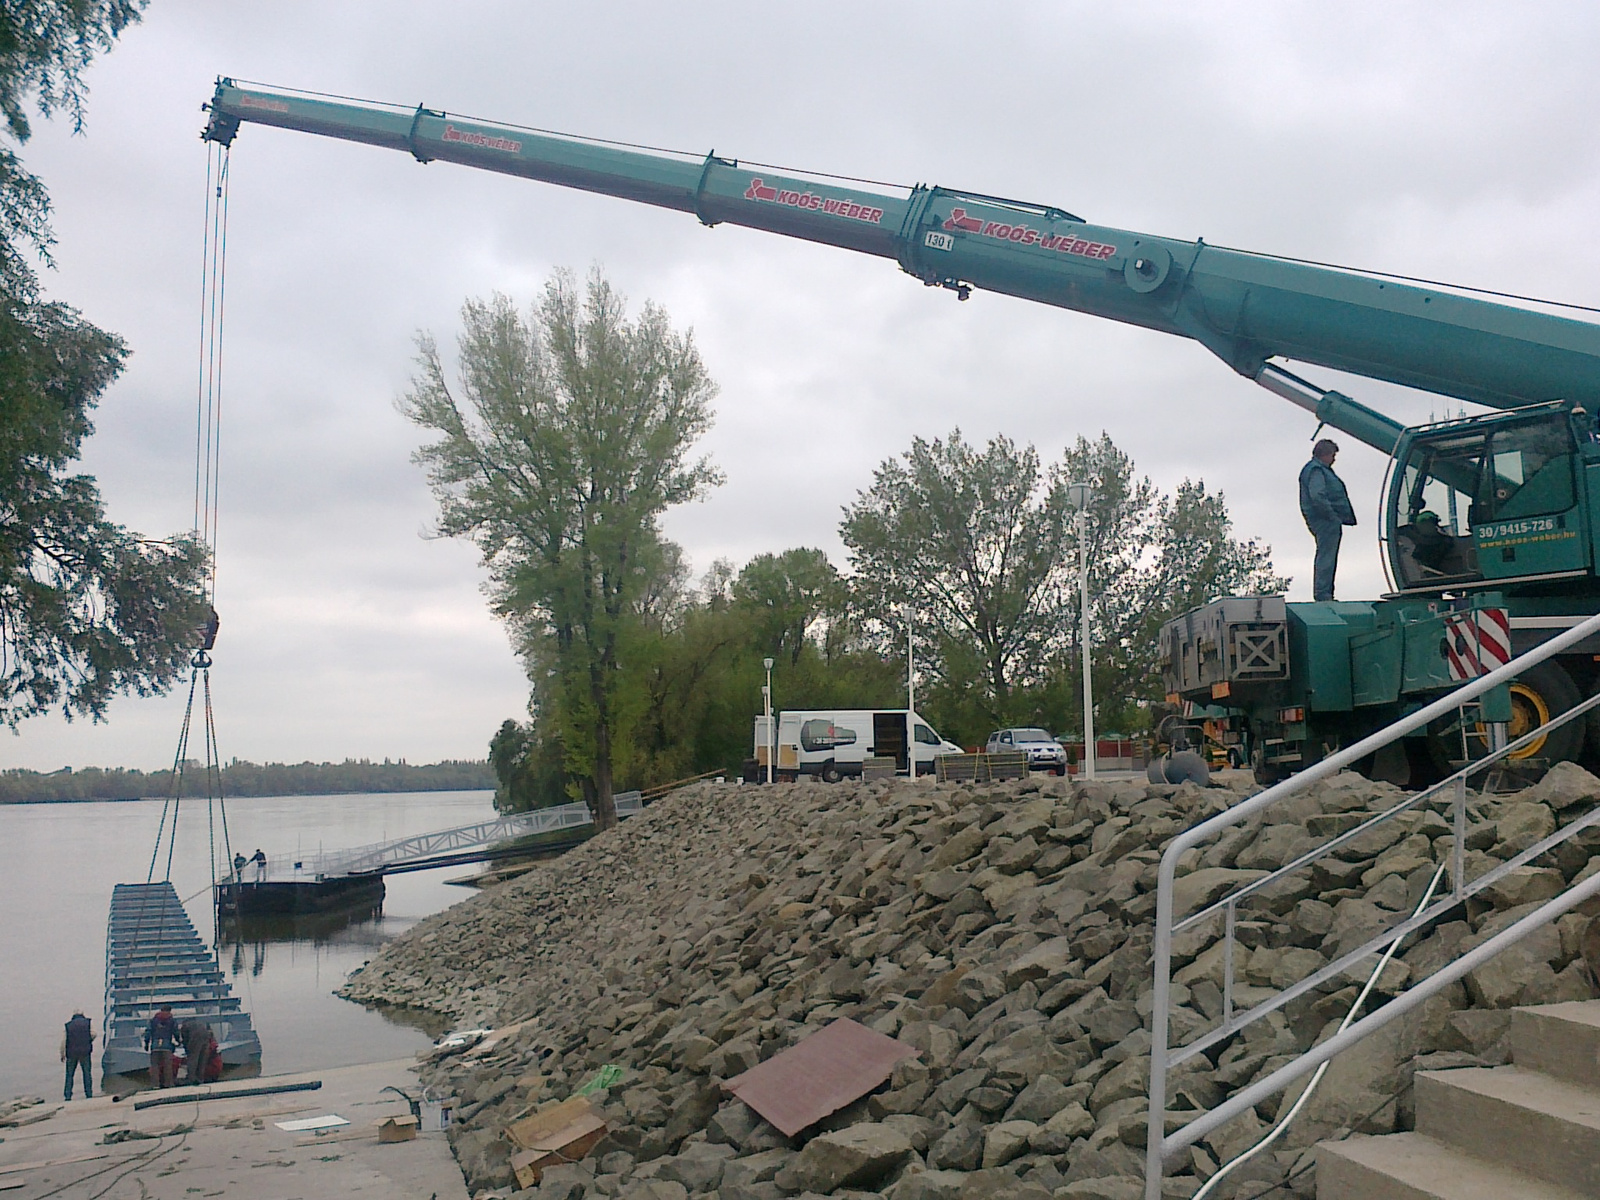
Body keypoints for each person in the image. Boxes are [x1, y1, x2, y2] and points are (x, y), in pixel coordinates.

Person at [1298, 438, 1357, 601]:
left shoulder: (1317, 469)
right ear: (1325, 454)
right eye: (1332, 455)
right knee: (1327, 556)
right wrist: (1332, 516)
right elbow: (1317, 495)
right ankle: (1323, 594)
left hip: (1325, 519)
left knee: (1327, 555)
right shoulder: (1317, 470)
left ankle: (1325, 592)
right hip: (1324, 520)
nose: (1334, 459)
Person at [144, 1005, 180, 1088]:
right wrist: (178, 1041)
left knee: (155, 1066)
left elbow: (148, 1032)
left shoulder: (153, 1020)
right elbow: (176, 1032)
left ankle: (155, 1084)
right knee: (168, 1066)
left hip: (155, 1046)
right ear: (170, 1011)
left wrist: (146, 1044)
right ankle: (168, 1084)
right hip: (167, 1047)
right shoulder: (172, 1020)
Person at [61, 1010, 94, 1100]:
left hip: (72, 1054)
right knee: (87, 1074)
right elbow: (94, 1034)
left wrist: (62, 1054)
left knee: (69, 1075)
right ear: (82, 1014)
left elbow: (64, 1041)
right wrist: (88, 1040)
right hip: (85, 1052)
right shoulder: (87, 1023)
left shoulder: (68, 1025)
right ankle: (89, 1094)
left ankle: (68, 1096)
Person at [180, 1016, 212, 1086]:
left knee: (192, 1059)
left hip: (194, 1040)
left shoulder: (186, 1025)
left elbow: (185, 1037)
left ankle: (191, 1078)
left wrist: (186, 1047)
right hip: (205, 1040)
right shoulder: (201, 1023)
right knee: (202, 1060)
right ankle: (200, 1078)